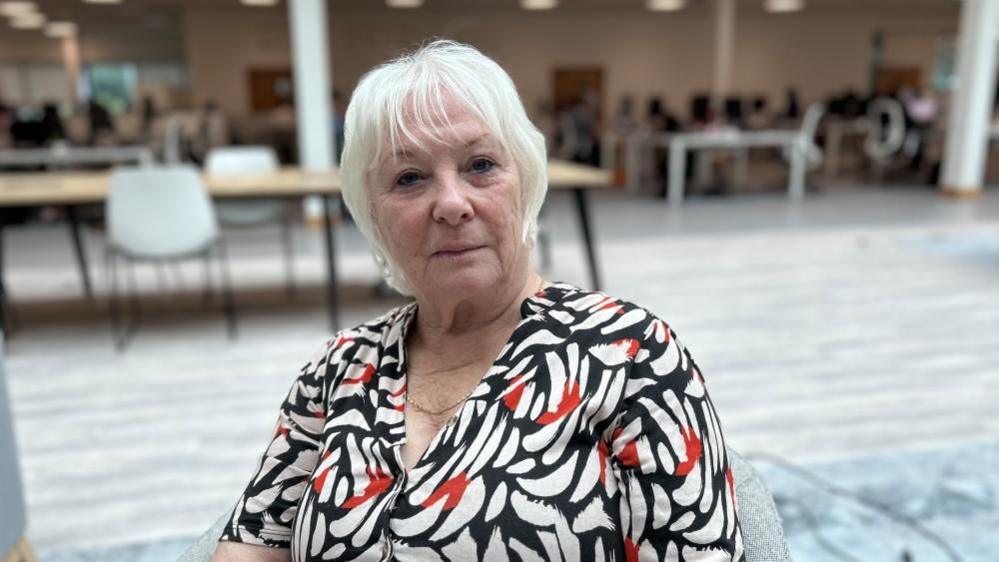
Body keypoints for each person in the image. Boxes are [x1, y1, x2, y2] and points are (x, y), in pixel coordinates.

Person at [212, 40, 743, 562]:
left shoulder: (630, 353)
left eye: (481, 165)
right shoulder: (338, 367)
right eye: (410, 177)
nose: (450, 203)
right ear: (372, 215)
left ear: (526, 181)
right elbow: (251, 541)